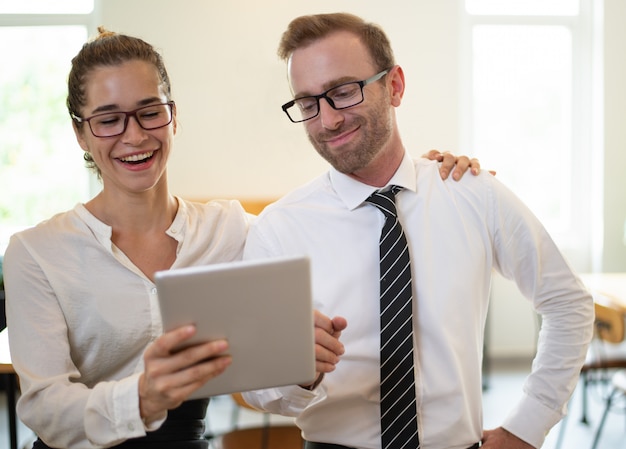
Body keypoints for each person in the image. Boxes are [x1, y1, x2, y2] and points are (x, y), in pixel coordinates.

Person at [3, 28, 480, 449]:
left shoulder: (231, 230)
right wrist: (143, 397)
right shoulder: (36, 253)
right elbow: (45, 409)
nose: (134, 135)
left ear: (173, 116)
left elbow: (334, 224)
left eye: (150, 112)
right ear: (80, 134)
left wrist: (420, 178)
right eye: (108, 119)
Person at [241, 12, 595, 449]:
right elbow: (259, 392)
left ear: (394, 86)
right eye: (308, 103)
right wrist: (299, 372)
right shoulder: (280, 228)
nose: (327, 121)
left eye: (344, 92)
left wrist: (528, 425)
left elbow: (567, 304)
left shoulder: (472, 194)